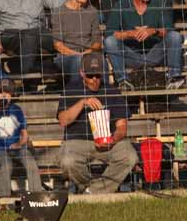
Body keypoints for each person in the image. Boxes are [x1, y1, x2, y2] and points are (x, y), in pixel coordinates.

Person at [56, 52, 139, 193]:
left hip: (108, 142)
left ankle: (92, 191)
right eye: (90, 75)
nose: (94, 79)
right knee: (67, 161)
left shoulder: (112, 91)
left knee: (129, 157)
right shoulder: (70, 90)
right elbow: (63, 121)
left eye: (98, 75)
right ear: (82, 73)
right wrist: (83, 102)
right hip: (77, 141)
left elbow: (122, 127)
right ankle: (89, 188)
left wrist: (112, 140)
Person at [103, 0, 185, 91]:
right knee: (110, 41)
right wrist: (129, 34)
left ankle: (174, 77)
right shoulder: (121, 5)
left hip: (155, 53)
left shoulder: (159, 3)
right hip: (130, 55)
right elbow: (109, 33)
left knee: (175, 36)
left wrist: (154, 31)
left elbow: (169, 30)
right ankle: (123, 81)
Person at [0, 78, 42, 197]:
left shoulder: (17, 110)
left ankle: (37, 196)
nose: (4, 95)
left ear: (12, 95)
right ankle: (2, 197)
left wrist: (18, 144)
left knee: (31, 162)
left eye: (7, 93)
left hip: (16, 148)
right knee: (7, 163)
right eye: (0, 92)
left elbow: (25, 135)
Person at [52, 0, 104, 85]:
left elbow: (97, 42)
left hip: (88, 53)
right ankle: (76, 91)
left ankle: (105, 91)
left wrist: (86, 54)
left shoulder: (92, 11)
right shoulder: (59, 12)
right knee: (77, 61)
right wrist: (77, 55)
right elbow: (58, 45)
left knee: (102, 61)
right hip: (66, 56)